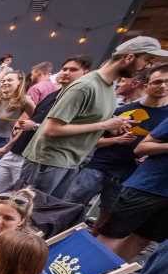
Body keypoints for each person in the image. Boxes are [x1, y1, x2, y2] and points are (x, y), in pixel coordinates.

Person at [20, 36, 167, 197]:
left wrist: (114, 126)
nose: (147, 66)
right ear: (129, 57)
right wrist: (104, 125)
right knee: (28, 209)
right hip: (48, 161)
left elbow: (86, 121)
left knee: (47, 210)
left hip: (70, 162)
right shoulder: (85, 86)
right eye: (147, 60)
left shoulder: (108, 87)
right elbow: (51, 129)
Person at [65, 65, 168, 223]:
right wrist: (115, 140)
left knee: (109, 218)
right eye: (158, 82)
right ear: (146, 85)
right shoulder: (122, 110)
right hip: (99, 166)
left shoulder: (166, 118)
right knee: (68, 206)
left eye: (167, 82)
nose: (163, 86)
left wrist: (149, 154)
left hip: (130, 175)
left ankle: (92, 238)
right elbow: (91, 141)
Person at [0, 56, 92, 199]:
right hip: (17, 151)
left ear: (85, 73)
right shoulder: (52, 95)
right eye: (64, 69)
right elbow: (31, 123)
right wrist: (9, 146)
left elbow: (57, 128)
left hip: (38, 158)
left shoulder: (78, 98)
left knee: (21, 198)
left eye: (73, 70)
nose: (66, 72)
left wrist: (34, 126)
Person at [95, 83, 168, 263]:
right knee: (112, 234)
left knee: (143, 238)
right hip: (148, 186)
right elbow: (141, 148)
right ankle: (83, 272)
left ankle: (109, 272)